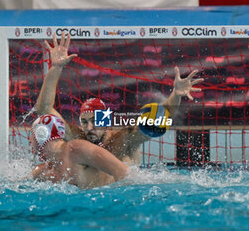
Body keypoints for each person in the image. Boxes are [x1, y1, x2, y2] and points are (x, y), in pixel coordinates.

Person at [35, 31, 203, 168]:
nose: (89, 127)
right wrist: (56, 68)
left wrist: (176, 95)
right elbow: (44, 110)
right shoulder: (78, 138)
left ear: (106, 122)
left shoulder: (123, 139)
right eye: (84, 122)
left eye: (95, 121)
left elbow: (159, 117)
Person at [30, 114, 129, 189]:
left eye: (32, 134)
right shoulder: (44, 170)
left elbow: (122, 171)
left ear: (42, 134)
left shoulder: (75, 149)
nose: (30, 140)